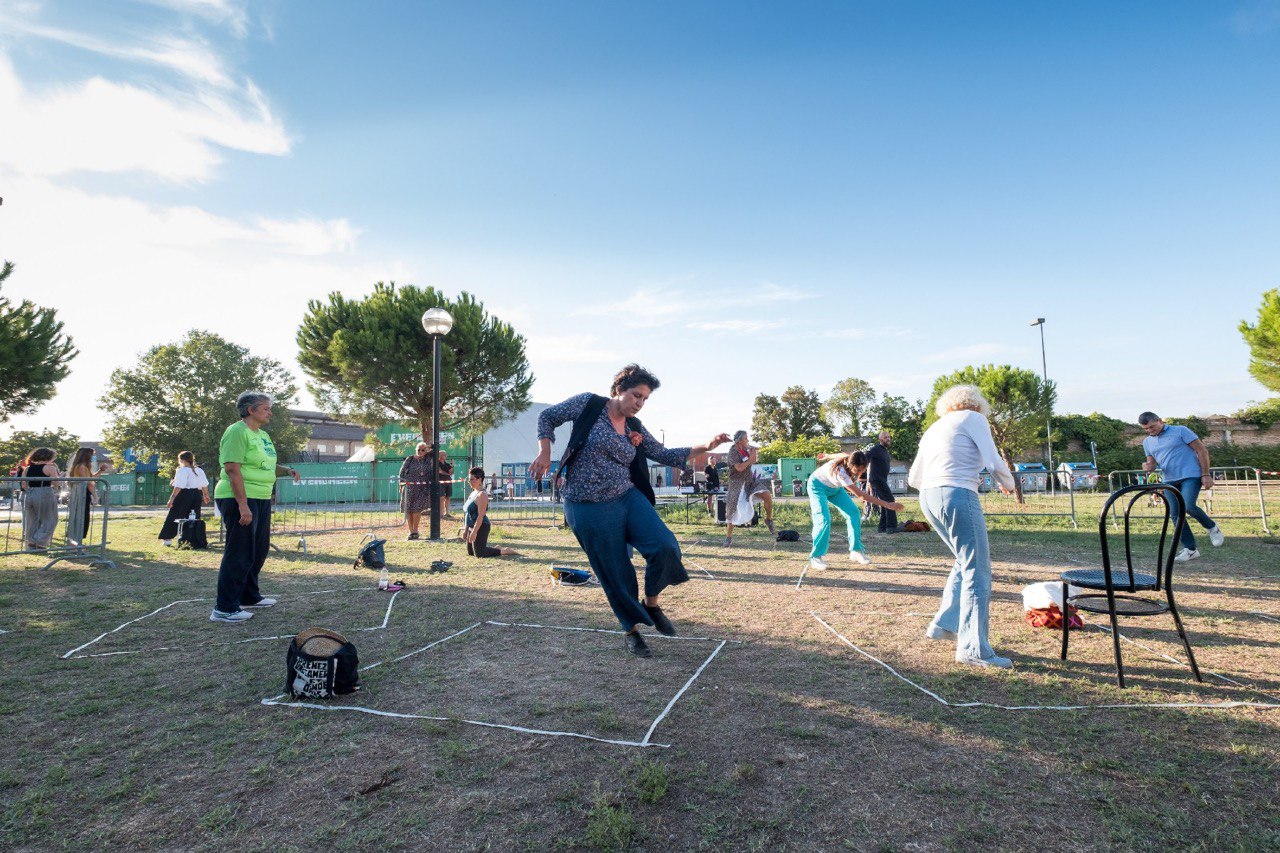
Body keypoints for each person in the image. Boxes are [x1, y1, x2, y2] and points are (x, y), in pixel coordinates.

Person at [531, 363, 730, 657]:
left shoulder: (634, 427)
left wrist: (707, 445)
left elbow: (663, 453)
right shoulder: (589, 404)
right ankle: (632, 631)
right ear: (618, 390)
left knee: (665, 547)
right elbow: (548, 416)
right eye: (636, 395)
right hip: (587, 506)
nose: (640, 403)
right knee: (614, 571)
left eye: (645, 399)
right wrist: (545, 451)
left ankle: (651, 603)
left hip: (627, 496)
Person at [908, 385, 1017, 669]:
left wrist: (939, 486)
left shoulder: (934, 428)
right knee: (977, 569)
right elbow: (994, 462)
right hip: (957, 492)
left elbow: (913, 477)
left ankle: (944, 624)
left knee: (963, 561)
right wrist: (1009, 484)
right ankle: (973, 650)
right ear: (977, 404)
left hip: (928, 496)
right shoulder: (973, 418)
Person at [209, 392, 300, 624]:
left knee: (258, 549)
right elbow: (232, 468)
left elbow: (265, 463)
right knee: (239, 551)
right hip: (239, 498)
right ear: (251, 410)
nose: (270, 412)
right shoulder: (236, 431)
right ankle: (224, 608)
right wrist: (242, 505)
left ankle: (249, 596)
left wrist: (286, 470)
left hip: (260, 497)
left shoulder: (263, 435)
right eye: (266, 408)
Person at [1139, 412, 1225, 562]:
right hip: (1169, 480)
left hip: (1190, 474)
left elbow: (1202, 450)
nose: (1149, 431)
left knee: (1188, 506)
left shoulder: (1181, 431)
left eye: (1152, 427)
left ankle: (1212, 527)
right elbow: (1151, 464)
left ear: (1160, 421)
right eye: (1146, 429)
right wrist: (1148, 467)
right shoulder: (1147, 442)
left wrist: (1206, 474)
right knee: (1175, 514)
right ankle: (1190, 549)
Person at [808, 451, 904, 569]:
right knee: (824, 520)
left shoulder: (849, 458)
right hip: (817, 486)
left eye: (862, 470)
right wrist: (888, 504)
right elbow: (862, 496)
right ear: (850, 465)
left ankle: (856, 551)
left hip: (835, 489)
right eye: (857, 470)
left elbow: (839, 454)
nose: (859, 473)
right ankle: (816, 557)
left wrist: (827, 456)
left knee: (853, 513)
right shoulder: (841, 472)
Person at [723, 430, 775, 544]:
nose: (748, 440)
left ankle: (769, 519)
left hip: (750, 481)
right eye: (746, 438)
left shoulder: (746, 449)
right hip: (737, 483)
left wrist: (754, 454)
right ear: (740, 441)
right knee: (732, 509)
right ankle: (728, 537)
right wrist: (750, 459)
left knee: (767, 495)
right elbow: (739, 468)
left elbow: (755, 461)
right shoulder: (733, 452)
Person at [462, 467, 521, 557]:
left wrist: (474, 532)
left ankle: (505, 551)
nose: (469, 482)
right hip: (471, 526)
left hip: (481, 526)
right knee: (471, 552)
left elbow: (480, 516)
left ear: (479, 480)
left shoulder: (482, 495)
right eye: (469, 479)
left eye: (472, 479)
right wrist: (466, 530)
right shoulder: (473, 492)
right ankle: (497, 548)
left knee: (480, 554)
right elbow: (467, 513)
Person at [158, 451, 210, 546]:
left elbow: (179, 486)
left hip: (184, 495)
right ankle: (193, 539)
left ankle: (167, 539)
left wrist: (171, 499)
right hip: (196, 495)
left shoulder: (182, 470)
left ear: (182, 460)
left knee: (175, 515)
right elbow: (204, 484)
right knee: (193, 517)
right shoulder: (199, 470)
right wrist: (206, 495)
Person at [19, 447, 59, 551]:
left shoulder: (27, 469)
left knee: (32, 521)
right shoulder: (50, 468)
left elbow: (23, 485)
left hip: (30, 493)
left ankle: (31, 542)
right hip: (44, 492)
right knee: (50, 519)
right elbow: (56, 483)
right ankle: (39, 542)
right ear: (49, 457)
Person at [866, 431, 901, 534]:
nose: (888, 439)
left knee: (885, 503)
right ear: (880, 439)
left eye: (889, 437)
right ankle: (891, 526)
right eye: (886, 437)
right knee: (890, 500)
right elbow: (866, 457)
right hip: (877, 479)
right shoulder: (876, 449)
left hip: (881, 479)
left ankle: (882, 527)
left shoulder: (885, 451)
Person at [398, 442, 432, 540]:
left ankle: (415, 530)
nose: (420, 452)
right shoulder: (410, 459)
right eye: (418, 450)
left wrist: (428, 447)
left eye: (423, 450)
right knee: (408, 509)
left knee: (417, 509)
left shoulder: (427, 459)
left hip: (422, 488)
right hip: (409, 487)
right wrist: (401, 484)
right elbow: (401, 472)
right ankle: (411, 531)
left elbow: (435, 449)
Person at [65, 447, 97, 546]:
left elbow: (90, 478)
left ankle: (75, 541)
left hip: (80, 493)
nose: (92, 457)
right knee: (82, 517)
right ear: (86, 455)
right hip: (82, 493)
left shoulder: (82, 466)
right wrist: (95, 496)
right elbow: (88, 482)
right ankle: (76, 542)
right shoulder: (82, 467)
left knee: (80, 516)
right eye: (91, 455)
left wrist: (101, 470)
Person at [437, 450, 455, 519]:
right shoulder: (437, 463)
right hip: (441, 482)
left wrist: (452, 465)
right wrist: (448, 474)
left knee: (448, 497)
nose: (445, 456)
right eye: (444, 454)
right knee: (441, 498)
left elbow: (451, 472)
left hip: (448, 482)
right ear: (440, 456)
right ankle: (441, 514)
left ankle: (447, 513)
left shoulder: (447, 464)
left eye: (445, 454)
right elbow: (440, 471)